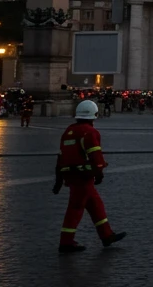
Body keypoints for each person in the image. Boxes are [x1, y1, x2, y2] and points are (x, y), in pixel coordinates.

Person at [54, 100, 127, 253]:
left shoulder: (68, 131)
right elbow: (96, 156)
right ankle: (66, 242)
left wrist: (58, 180)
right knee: (75, 208)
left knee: (96, 205)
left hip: (70, 174)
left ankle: (107, 235)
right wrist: (99, 173)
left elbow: (60, 156)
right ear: (94, 115)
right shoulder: (90, 132)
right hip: (83, 176)